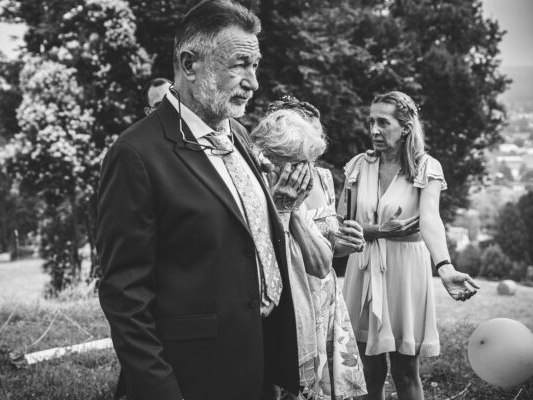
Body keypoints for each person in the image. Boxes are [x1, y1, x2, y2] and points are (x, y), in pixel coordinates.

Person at [96, 1, 301, 399]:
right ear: (190, 64)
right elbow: (125, 297)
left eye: (255, 65)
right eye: (239, 64)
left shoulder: (237, 134)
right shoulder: (135, 154)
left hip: (258, 363)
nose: (253, 82)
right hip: (194, 376)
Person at [338, 91, 480, 400]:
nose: (374, 130)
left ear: (405, 128)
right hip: (362, 270)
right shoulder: (357, 167)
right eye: (371, 122)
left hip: (406, 272)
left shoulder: (425, 167)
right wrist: (374, 230)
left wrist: (445, 267)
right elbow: (339, 224)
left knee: (405, 371)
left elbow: (430, 219)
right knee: (366, 371)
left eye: (383, 123)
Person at [251, 100, 368, 400]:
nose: (309, 171)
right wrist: (282, 208)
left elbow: (321, 262)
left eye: (311, 162)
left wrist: (292, 211)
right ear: (272, 159)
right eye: (301, 161)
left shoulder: (296, 189)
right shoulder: (253, 187)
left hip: (314, 300)